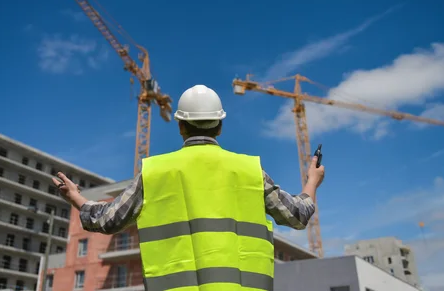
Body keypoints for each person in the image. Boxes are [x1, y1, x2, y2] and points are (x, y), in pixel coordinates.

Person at [53, 84, 325, 291]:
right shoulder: (249, 171)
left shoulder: (155, 173)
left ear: (180, 126)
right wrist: (311, 182)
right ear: (220, 126)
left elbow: (108, 220)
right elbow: (298, 215)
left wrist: (76, 196)